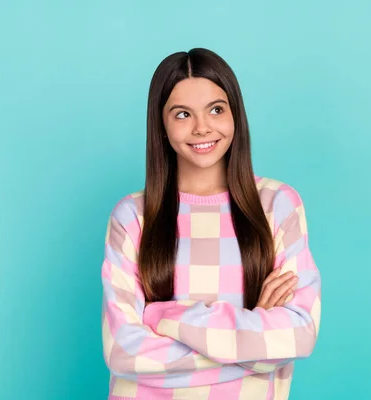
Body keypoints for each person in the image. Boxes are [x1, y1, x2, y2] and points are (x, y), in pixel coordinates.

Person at [101, 47, 321, 400]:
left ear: (236, 114)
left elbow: (298, 333)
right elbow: (123, 352)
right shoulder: (133, 216)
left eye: (216, 110)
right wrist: (252, 338)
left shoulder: (278, 205)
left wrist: (163, 316)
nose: (202, 127)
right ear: (161, 123)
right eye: (183, 114)